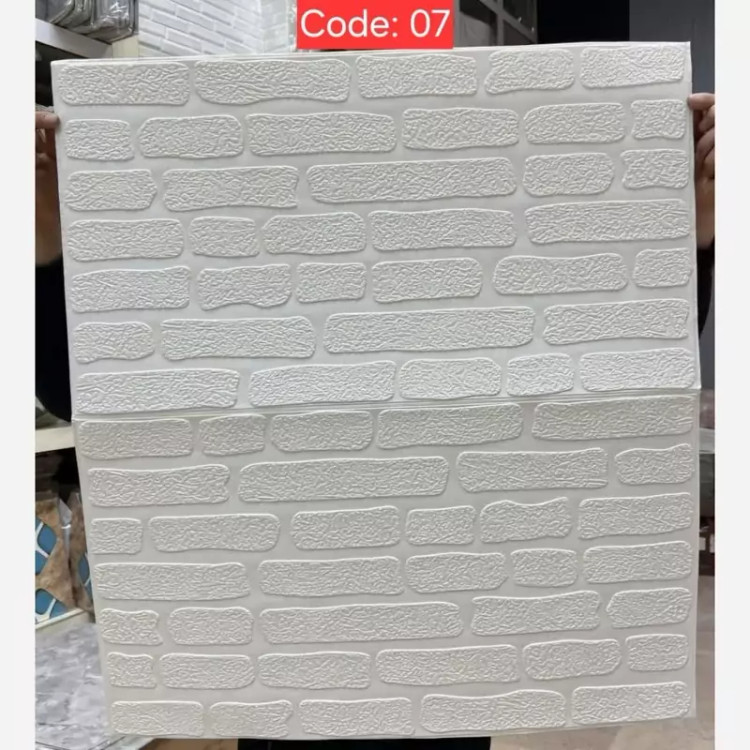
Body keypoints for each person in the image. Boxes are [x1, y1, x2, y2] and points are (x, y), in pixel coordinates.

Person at [35, 95, 715, 750]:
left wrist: (691, 222)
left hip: (438, 621)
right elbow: (84, 392)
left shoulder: (472, 307)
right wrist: (45, 234)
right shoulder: (230, 300)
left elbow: (637, 369)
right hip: (291, 628)